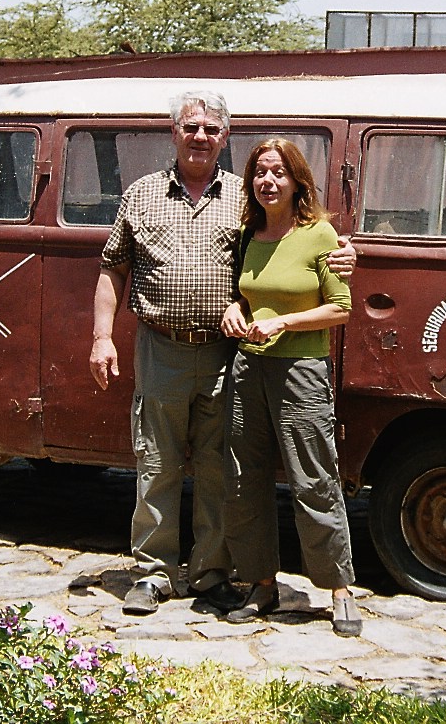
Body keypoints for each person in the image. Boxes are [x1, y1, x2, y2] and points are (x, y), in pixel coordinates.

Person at [89, 91, 355, 616]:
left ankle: (211, 571)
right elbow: (111, 267)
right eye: (192, 126)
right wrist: (102, 336)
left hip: (225, 353)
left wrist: (344, 251)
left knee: (220, 468)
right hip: (160, 347)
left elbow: (287, 241)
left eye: (212, 128)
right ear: (174, 132)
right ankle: (153, 572)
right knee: (157, 461)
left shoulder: (244, 196)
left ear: (225, 137)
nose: (201, 136)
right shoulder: (141, 195)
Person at [219, 138, 362, 637]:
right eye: (260, 172)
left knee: (313, 479)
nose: (268, 181)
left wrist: (284, 323)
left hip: (301, 369)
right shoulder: (247, 234)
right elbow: (241, 295)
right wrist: (235, 310)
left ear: (298, 179)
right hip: (247, 370)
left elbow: (341, 308)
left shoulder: (319, 234)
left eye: (279, 172)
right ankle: (261, 584)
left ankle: (340, 590)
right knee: (244, 479)